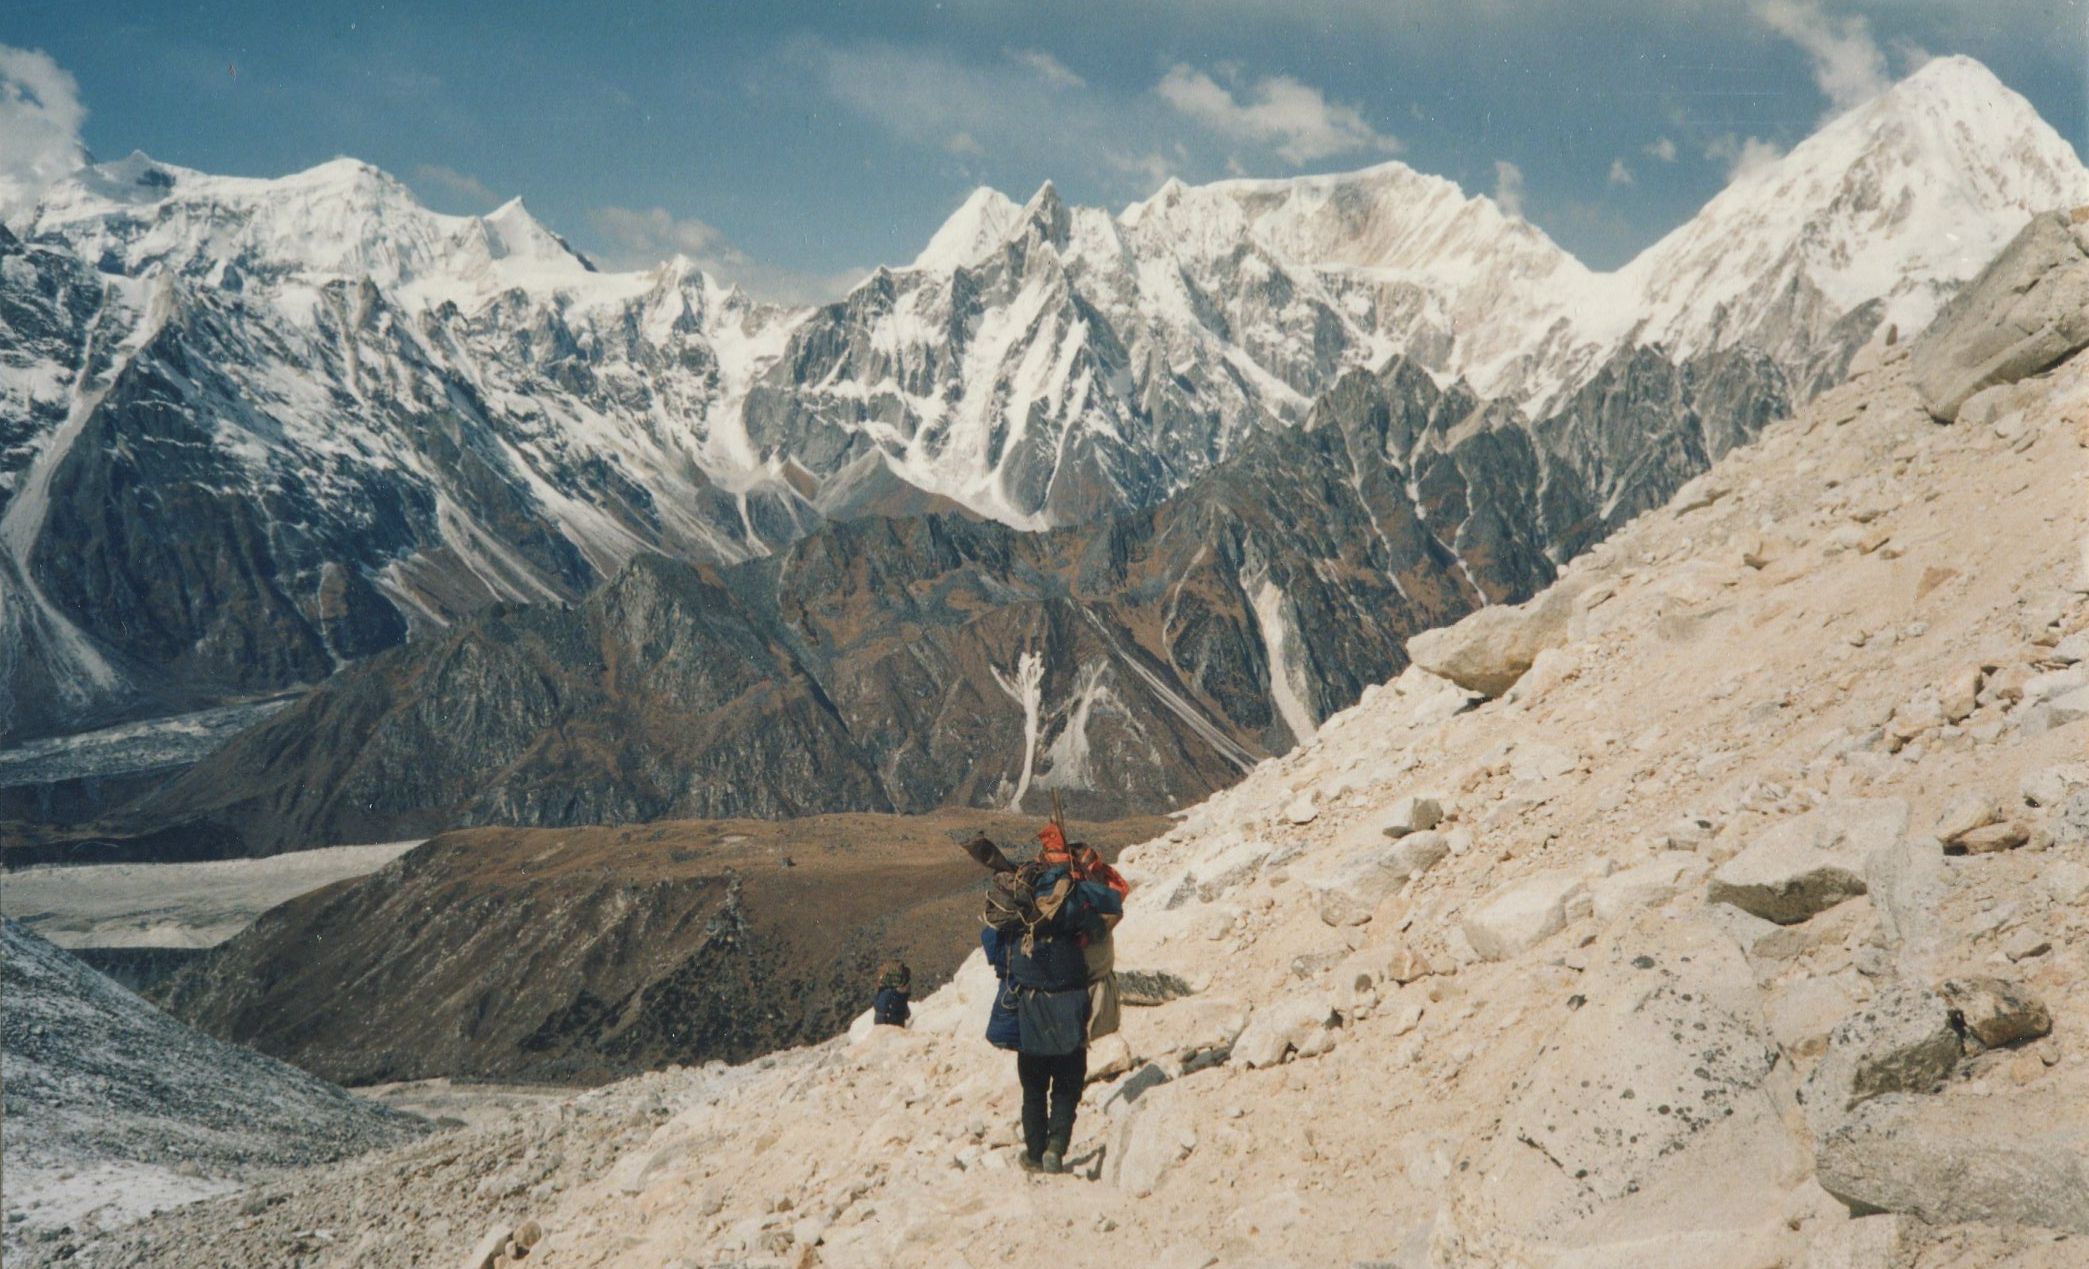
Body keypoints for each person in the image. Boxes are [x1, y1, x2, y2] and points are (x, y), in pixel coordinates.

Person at [872, 960, 911, 1027]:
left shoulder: (882, 991)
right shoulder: (900, 994)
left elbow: (876, 1005)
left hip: (880, 1021)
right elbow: (907, 1014)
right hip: (894, 1021)